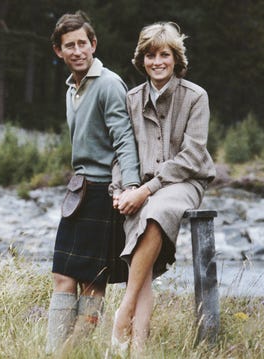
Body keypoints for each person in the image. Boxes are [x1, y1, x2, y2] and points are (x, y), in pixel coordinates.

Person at [110, 22, 216, 357]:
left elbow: (194, 154)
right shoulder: (131, 99)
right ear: (141, 60)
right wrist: (123, 188)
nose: (158, 61)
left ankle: (123, 311)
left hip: (184, 182)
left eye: (164, 54)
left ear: (176, 59)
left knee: (154, 212)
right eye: (151, 55)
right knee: (140, 228)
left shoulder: (196, 96)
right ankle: (139, 347)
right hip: (139, 185)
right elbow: (122, 151)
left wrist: (147, 190)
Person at [46, 11, 141, 354]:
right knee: (62, 277)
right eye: (69, 45)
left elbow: (124, 139)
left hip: (104, 192)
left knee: (92, 282)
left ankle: (72, 353)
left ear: (93, 44)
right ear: (58, 51)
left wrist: (131, 187)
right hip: (79, 189)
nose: (77, 51)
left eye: (82, 43)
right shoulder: (72, 88)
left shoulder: (109, 84)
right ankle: (56, 352)